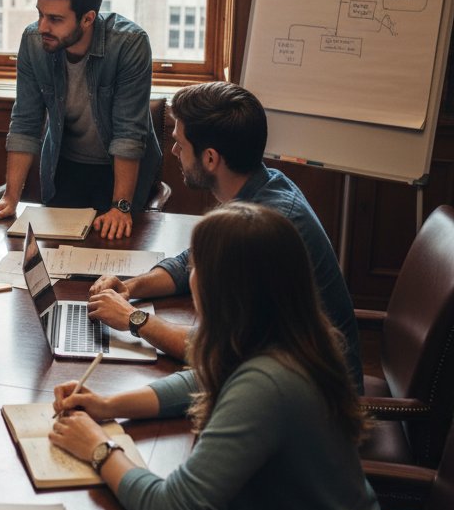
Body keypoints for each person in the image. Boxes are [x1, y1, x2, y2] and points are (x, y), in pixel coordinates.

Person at [50, 202, 393, 510]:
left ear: (227, 289)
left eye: (198, 270)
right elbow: (204, 376)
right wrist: (109, 405)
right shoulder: (292, 338)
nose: (191, 278)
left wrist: (100, 448)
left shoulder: (267, 385)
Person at [87, 81, 363, 389]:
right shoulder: (261, 186)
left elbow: (220, 352)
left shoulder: (265, 228)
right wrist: (129, 288)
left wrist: (133, 319)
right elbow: (190, 262)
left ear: (210, 159)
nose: (174, 150)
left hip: (315, 400)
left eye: (181, 143)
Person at [0, 0, 161, 239]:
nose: (42, 26)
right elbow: (25, 123)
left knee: (112, 253)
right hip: (64, 165)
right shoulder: (34, 41)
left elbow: (129, 135)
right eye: (40, 14)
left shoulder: (129, 44)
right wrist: (10, 197)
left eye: (55, 19)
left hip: (119, 173)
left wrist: (121, 206)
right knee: (55, 260)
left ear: (88, 18)